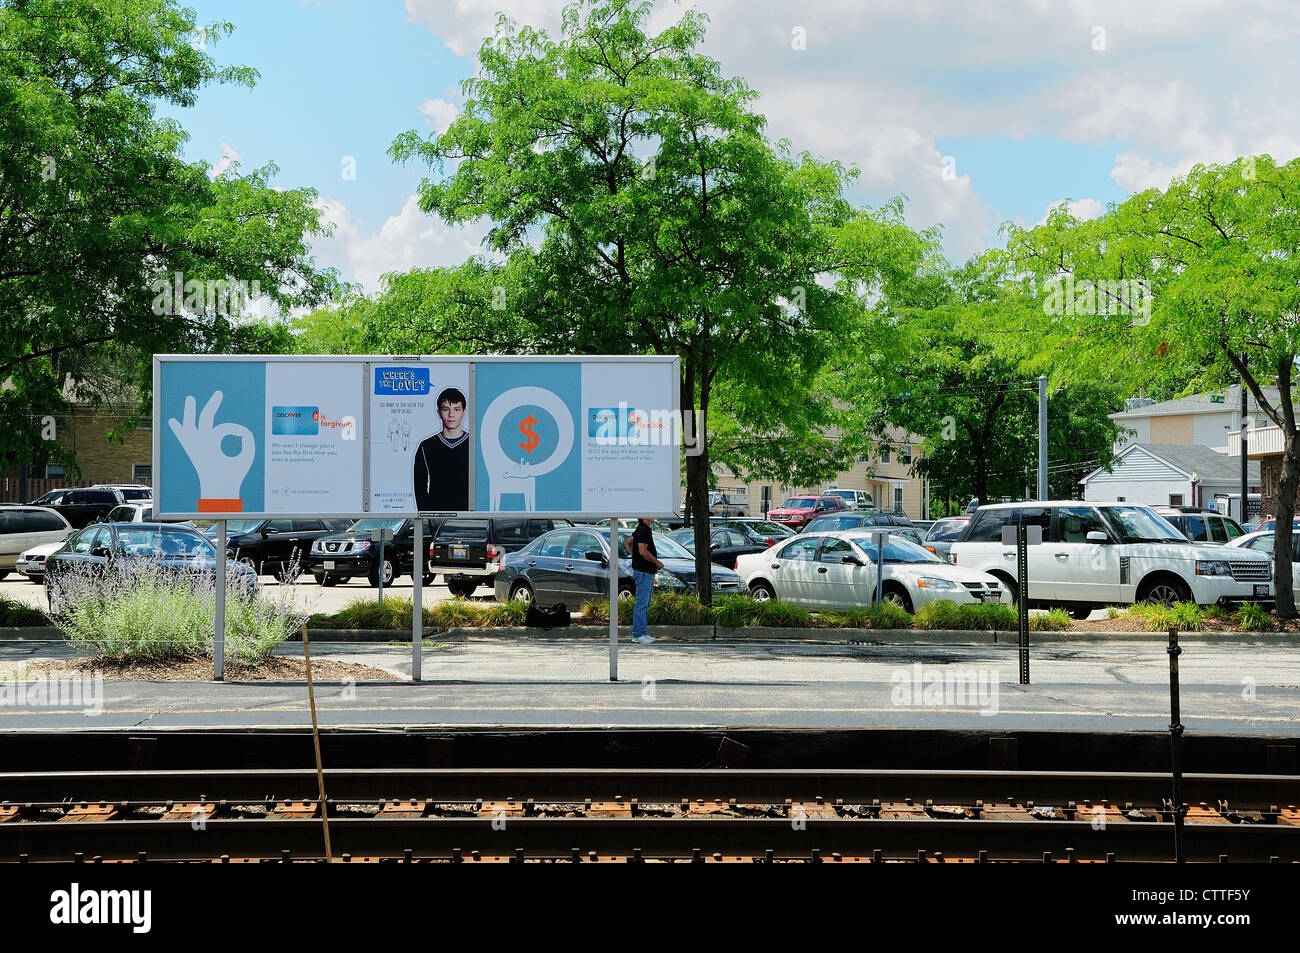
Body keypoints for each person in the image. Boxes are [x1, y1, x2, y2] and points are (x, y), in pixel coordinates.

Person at [413, 387, 470, 511]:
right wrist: (428, 515)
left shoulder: (473, 445)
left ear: (464, 412)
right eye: (446, 409)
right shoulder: (426, 446)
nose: (451, 415)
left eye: (456, 409)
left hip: (471, 518)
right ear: (438, 412)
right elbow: (419, 488)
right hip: (437, 518)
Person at [630, 516, 662, 644]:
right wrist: (657, 561)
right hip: (644, 572)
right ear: (643, 517)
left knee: (645, 604)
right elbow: (643, 551)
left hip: (646, 571)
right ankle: (638, 635)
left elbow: (628, 542)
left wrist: (634, 556)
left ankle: (641, 632)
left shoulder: (643, 529)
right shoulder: (643, 529)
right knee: (642, 604)